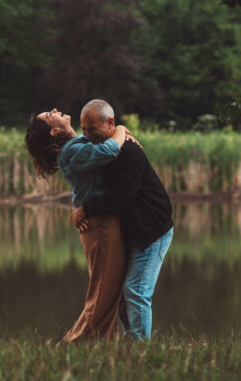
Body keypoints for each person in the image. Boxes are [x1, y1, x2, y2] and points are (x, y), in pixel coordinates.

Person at [25, 108, 135, 342]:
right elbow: (109, 150)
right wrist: (122, 130)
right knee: (103, 292)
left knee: (108, 289)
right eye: (49, 114)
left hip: (101, 221)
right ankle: (74, 343)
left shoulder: (77, 144)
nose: (55, 109)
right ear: (54, 130)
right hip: (100, 225)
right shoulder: (71, 150)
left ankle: (109, 342)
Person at [72, 99, 174, 341]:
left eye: (92, 130)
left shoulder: (129, 152)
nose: (86, 135)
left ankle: (139, 349)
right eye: (83, 129)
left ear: (110, 123)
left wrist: (85, 209)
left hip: (151, 232)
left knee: (136, 291)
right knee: (119, 293)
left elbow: (120, 197)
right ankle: (129, 343)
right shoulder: (105, 150)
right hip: (130, 231)